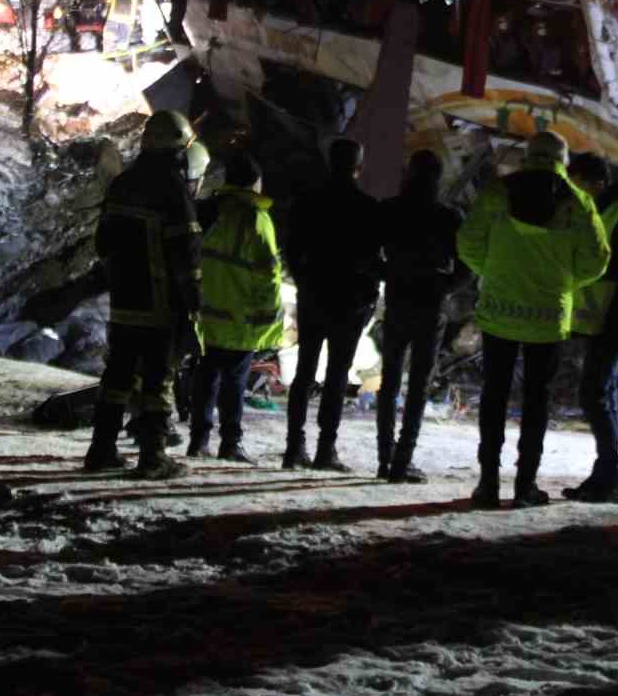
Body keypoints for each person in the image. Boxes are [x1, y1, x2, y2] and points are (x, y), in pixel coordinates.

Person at [457, 130, 610, 509]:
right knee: (536, 401)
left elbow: (468, 242)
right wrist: (564, 281)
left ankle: (488, 484)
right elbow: (597, 259)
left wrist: (490, 271)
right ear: (563, 160)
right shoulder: (577, 203)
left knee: (494, 394)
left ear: (528, 155)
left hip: (499, 310)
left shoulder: (497, 192)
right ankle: (525, 486)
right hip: (547, 315)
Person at [82, 111, 207, 478]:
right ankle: (153, 457)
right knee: (158, 380)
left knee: (117, 377)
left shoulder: (122, 184)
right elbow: (187, 256)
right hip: (161, 305)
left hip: (124, 303)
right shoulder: (173, 190)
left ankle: (100, 451)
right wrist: (194, 304)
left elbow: (103, 243)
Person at [282, 137, 384, 472]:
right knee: (337, 375)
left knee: (304, 371)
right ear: (359, 167)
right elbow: (374, 261)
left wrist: (305, 282)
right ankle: (326, 450)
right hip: (349, 303)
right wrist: (368, 296)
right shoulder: (368, 208)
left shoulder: (308, 202)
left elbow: (292, 253)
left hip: (314, 296)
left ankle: (293, 448)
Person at [562, 152, 618, 504]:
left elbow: (617, 266)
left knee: (594, 393)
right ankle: (607, 476)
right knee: (602, 393)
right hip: (603, 315)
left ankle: (611, 477)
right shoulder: (602, 206)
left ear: (594, 181)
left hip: (615, 315)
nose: (573, 191)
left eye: (577, 183)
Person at [186, 151, 284, 465]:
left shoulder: (210, 211)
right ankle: (230, 443)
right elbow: (268, 273)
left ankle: (198, 441)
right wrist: (270, 317)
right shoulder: (257, 218)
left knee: (205, 378)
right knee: (234, 384)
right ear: (255, 184)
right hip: (239, 318)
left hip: (207, 315)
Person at [375, 149, 467, 483]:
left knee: (390, 379)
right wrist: (446, 286)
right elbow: (468, 265)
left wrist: (390, 274)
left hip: (399, 299)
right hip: (431, 304)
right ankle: (403, 459)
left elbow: (371, 253)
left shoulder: (390, 210)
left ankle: (385, 457)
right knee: (419, 383)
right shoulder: (449, 217)